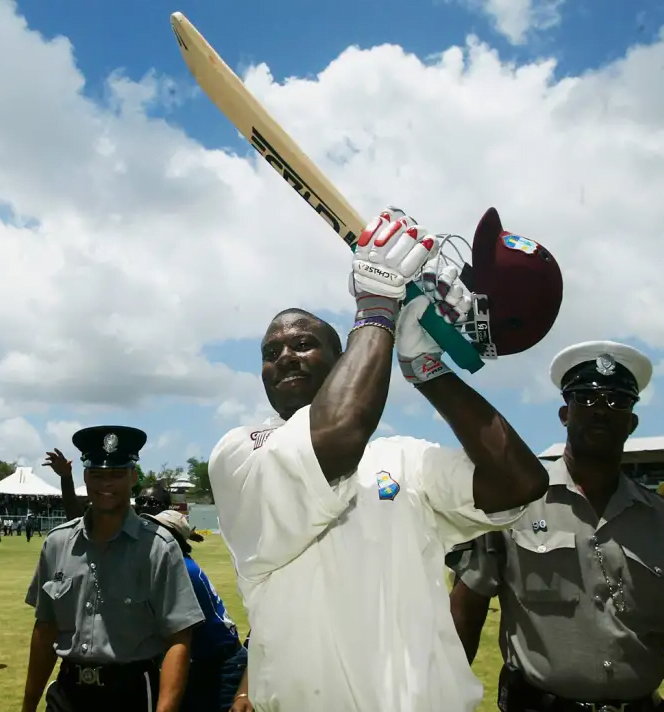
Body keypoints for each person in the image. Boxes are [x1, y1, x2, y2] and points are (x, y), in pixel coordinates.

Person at [208, 207, 560, 711]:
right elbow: (337, 436)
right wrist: (377, 309)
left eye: (304, 344)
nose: (284, 356)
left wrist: (428, 371)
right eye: (271, 352)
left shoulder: (402, 458)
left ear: (342, 360)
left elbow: (519, 481)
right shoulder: (241, 453)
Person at [448, 340, 664, 712]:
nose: (601, 410)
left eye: (617, 401)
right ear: (565, 414)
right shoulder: (513, 507)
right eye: (586, 398)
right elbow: (463, 620)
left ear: (632, 421)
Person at [22, 426, 205, 712]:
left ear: (133, 476)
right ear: (85, 476)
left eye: (117, 474)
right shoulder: (57, 543)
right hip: (67, 693)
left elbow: (178, 638)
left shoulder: (159, 547)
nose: (106, 483)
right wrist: (28, 705)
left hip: (128, 693)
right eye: (97, 474)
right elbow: (45, 629)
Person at [146, 509, 249, 712]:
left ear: (170, 539)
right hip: (207, 661)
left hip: (218, 666)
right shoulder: (177, 563)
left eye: (155, 531)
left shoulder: (181, 570)